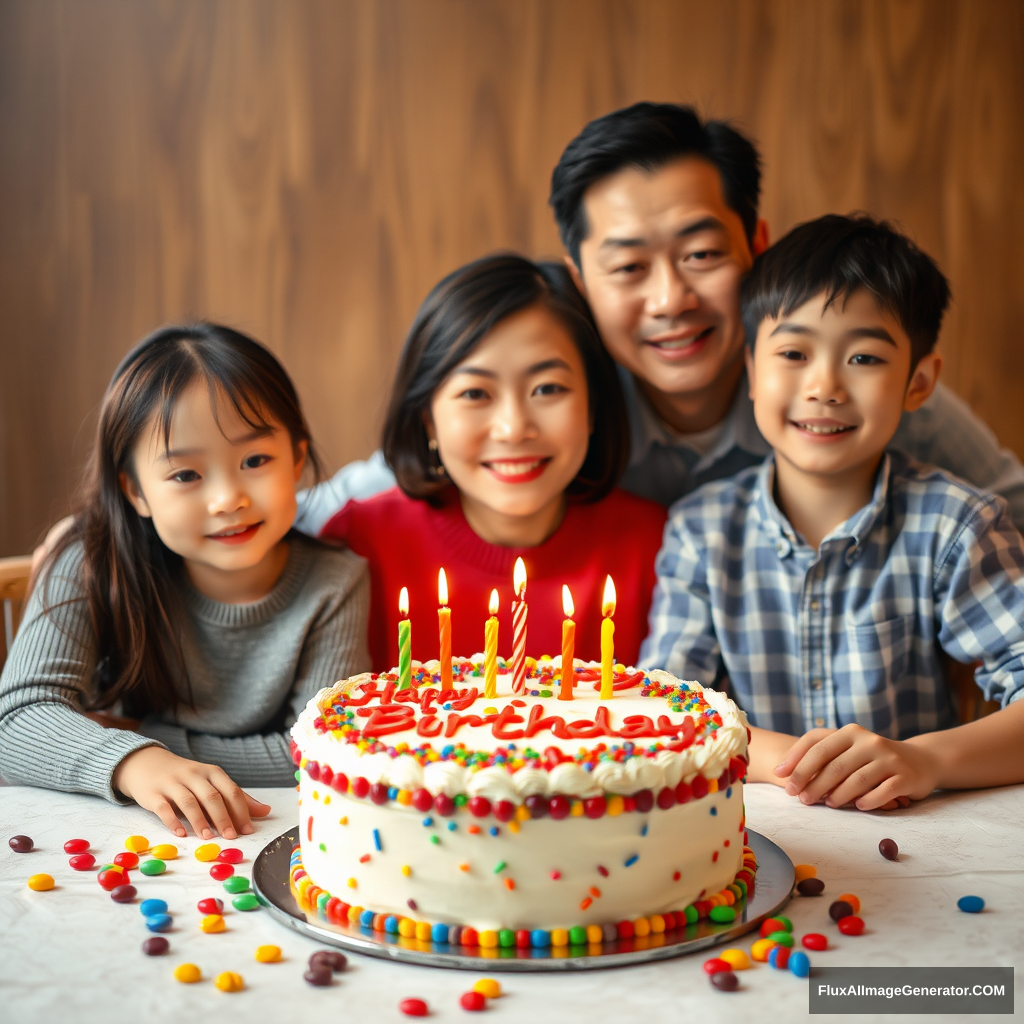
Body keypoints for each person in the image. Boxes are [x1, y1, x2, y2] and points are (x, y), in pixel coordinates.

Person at [294, 103, 1024, 534]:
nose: (670, 299)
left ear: (757, 247)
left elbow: (1012, 518)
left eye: (701, 253)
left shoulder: (850, 390)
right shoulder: (551, 398)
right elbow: (309, 515)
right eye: (628, 267)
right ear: (580, 281)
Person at [641, 214, 1024, 811]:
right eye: (793, 352)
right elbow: (663, 708)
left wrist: (925, 758)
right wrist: (802, 765)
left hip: (925, 838)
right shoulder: (700, 531)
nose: (824, 386)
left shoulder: (956, 524)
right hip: (758, 836)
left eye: (865, 359)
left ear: (919, 382)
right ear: (750, 369)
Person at [0, 324, 370, 839]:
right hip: (117, 829)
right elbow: (14, 723)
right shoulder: (92, 561)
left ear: (298, 459)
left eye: (255, 460)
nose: (228, 499)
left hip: (265, 833)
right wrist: (134, 764)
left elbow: (325, 749)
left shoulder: (336, 581)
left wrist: (146, 739)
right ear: (136, 492)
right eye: (185, 475)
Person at [319, 254, 666, 671]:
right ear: (428, 417)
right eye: (475, 393)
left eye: (547, 388)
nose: (513, 429)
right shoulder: (356, 545)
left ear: (593, 405)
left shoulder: (660, 550)